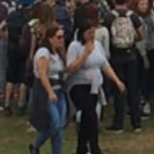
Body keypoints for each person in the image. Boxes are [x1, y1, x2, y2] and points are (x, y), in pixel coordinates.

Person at [66, 15, 126, 154]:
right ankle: (94, 147)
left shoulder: (97, 45)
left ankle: (82, 147)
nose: (92, 36)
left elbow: (105, 65)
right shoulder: (75, 46)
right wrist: (84, 55)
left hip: (94, 86)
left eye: (93, 32)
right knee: (90, 114)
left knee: (88, 118)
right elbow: (71, 67)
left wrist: (117, 80)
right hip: (79, 85)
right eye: (89, 33)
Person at [104, 0, 144, 133]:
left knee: (118, 88)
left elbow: (107, 35)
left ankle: (118, 123)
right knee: (133, 89)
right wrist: (133, 40)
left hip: (116, 55)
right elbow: (141, 35)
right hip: (131, 54)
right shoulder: (133, 16)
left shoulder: (109, 17)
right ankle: (136, 122)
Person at [30, 24, 68, 154]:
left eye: (62, 37)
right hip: (47, 91)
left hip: (59, 90)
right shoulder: (43, 53)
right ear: (50, 39)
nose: (61, 40)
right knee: (55, 124)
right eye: (58, 37)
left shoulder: (57, 54)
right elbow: (42, 74)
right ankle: (36, 145)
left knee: (60, 126)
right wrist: (50, 92)